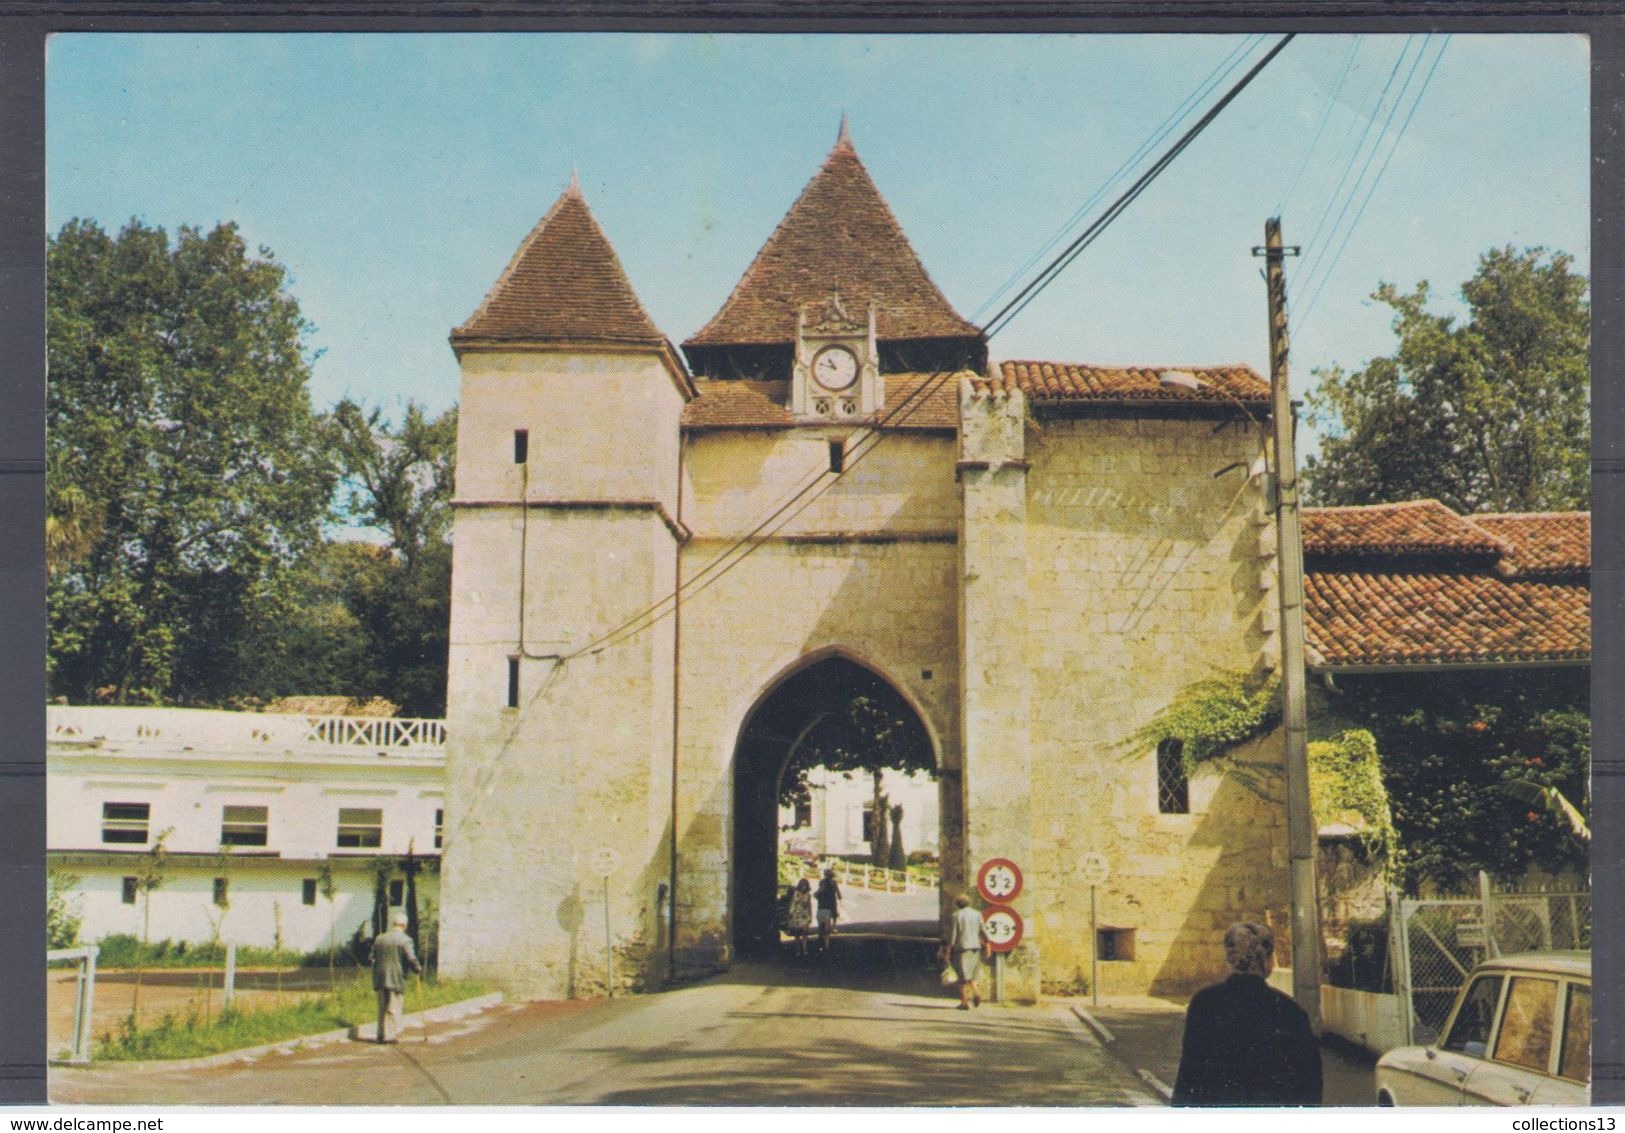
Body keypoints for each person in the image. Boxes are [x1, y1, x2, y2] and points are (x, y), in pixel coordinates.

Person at [1171, 921, 1323, 1106]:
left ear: (1229, 958)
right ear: (1268, 961)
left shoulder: (1204, 1003)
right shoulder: (1290, 1011)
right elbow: (1309, 1082)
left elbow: (1190, 1071)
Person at [369, 912, 422, 1044]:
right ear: (404, 925)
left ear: (393, 924)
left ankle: (380, 1035)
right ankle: (390, 1036)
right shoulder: (405, 940)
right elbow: (411, 958)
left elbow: (371, 957)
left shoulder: (380, 938)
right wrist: (417, 968)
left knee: (382, 1006)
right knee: (393, 1006)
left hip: (379, 976)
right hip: (395, 977)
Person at [941, 892, 989, 1009]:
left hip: (961, 948)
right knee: (971, 974)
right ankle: (976, 992)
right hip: (975, 948)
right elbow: (983, 931)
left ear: (957, 904)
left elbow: (953, 936)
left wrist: (948, 951)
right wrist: (987, 944)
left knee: (961, 976)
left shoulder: (956, 916)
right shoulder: (977, 914)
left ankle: (964, 1002)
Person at [814, 867, 842, 954]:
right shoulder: (834, 882)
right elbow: (839, 895)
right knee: (827, 927)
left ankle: (820, 945)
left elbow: (817, 893)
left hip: (822, 905)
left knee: (820, 927)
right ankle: (827, 946)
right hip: (831, 905)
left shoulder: (822, 882)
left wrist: (817, 895)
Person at [788, 877, 814, 958]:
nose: (804, 886)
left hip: (804, 914)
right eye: (803, 885)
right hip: (796, 914)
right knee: (797, 933)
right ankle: (798, 949)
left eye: (805, 885)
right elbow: (792, 903)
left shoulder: (808, 895)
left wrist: (810, 915)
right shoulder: (796, 893)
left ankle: (804, 949)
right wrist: (790, 912)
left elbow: (809, 905)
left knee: (805, 932)